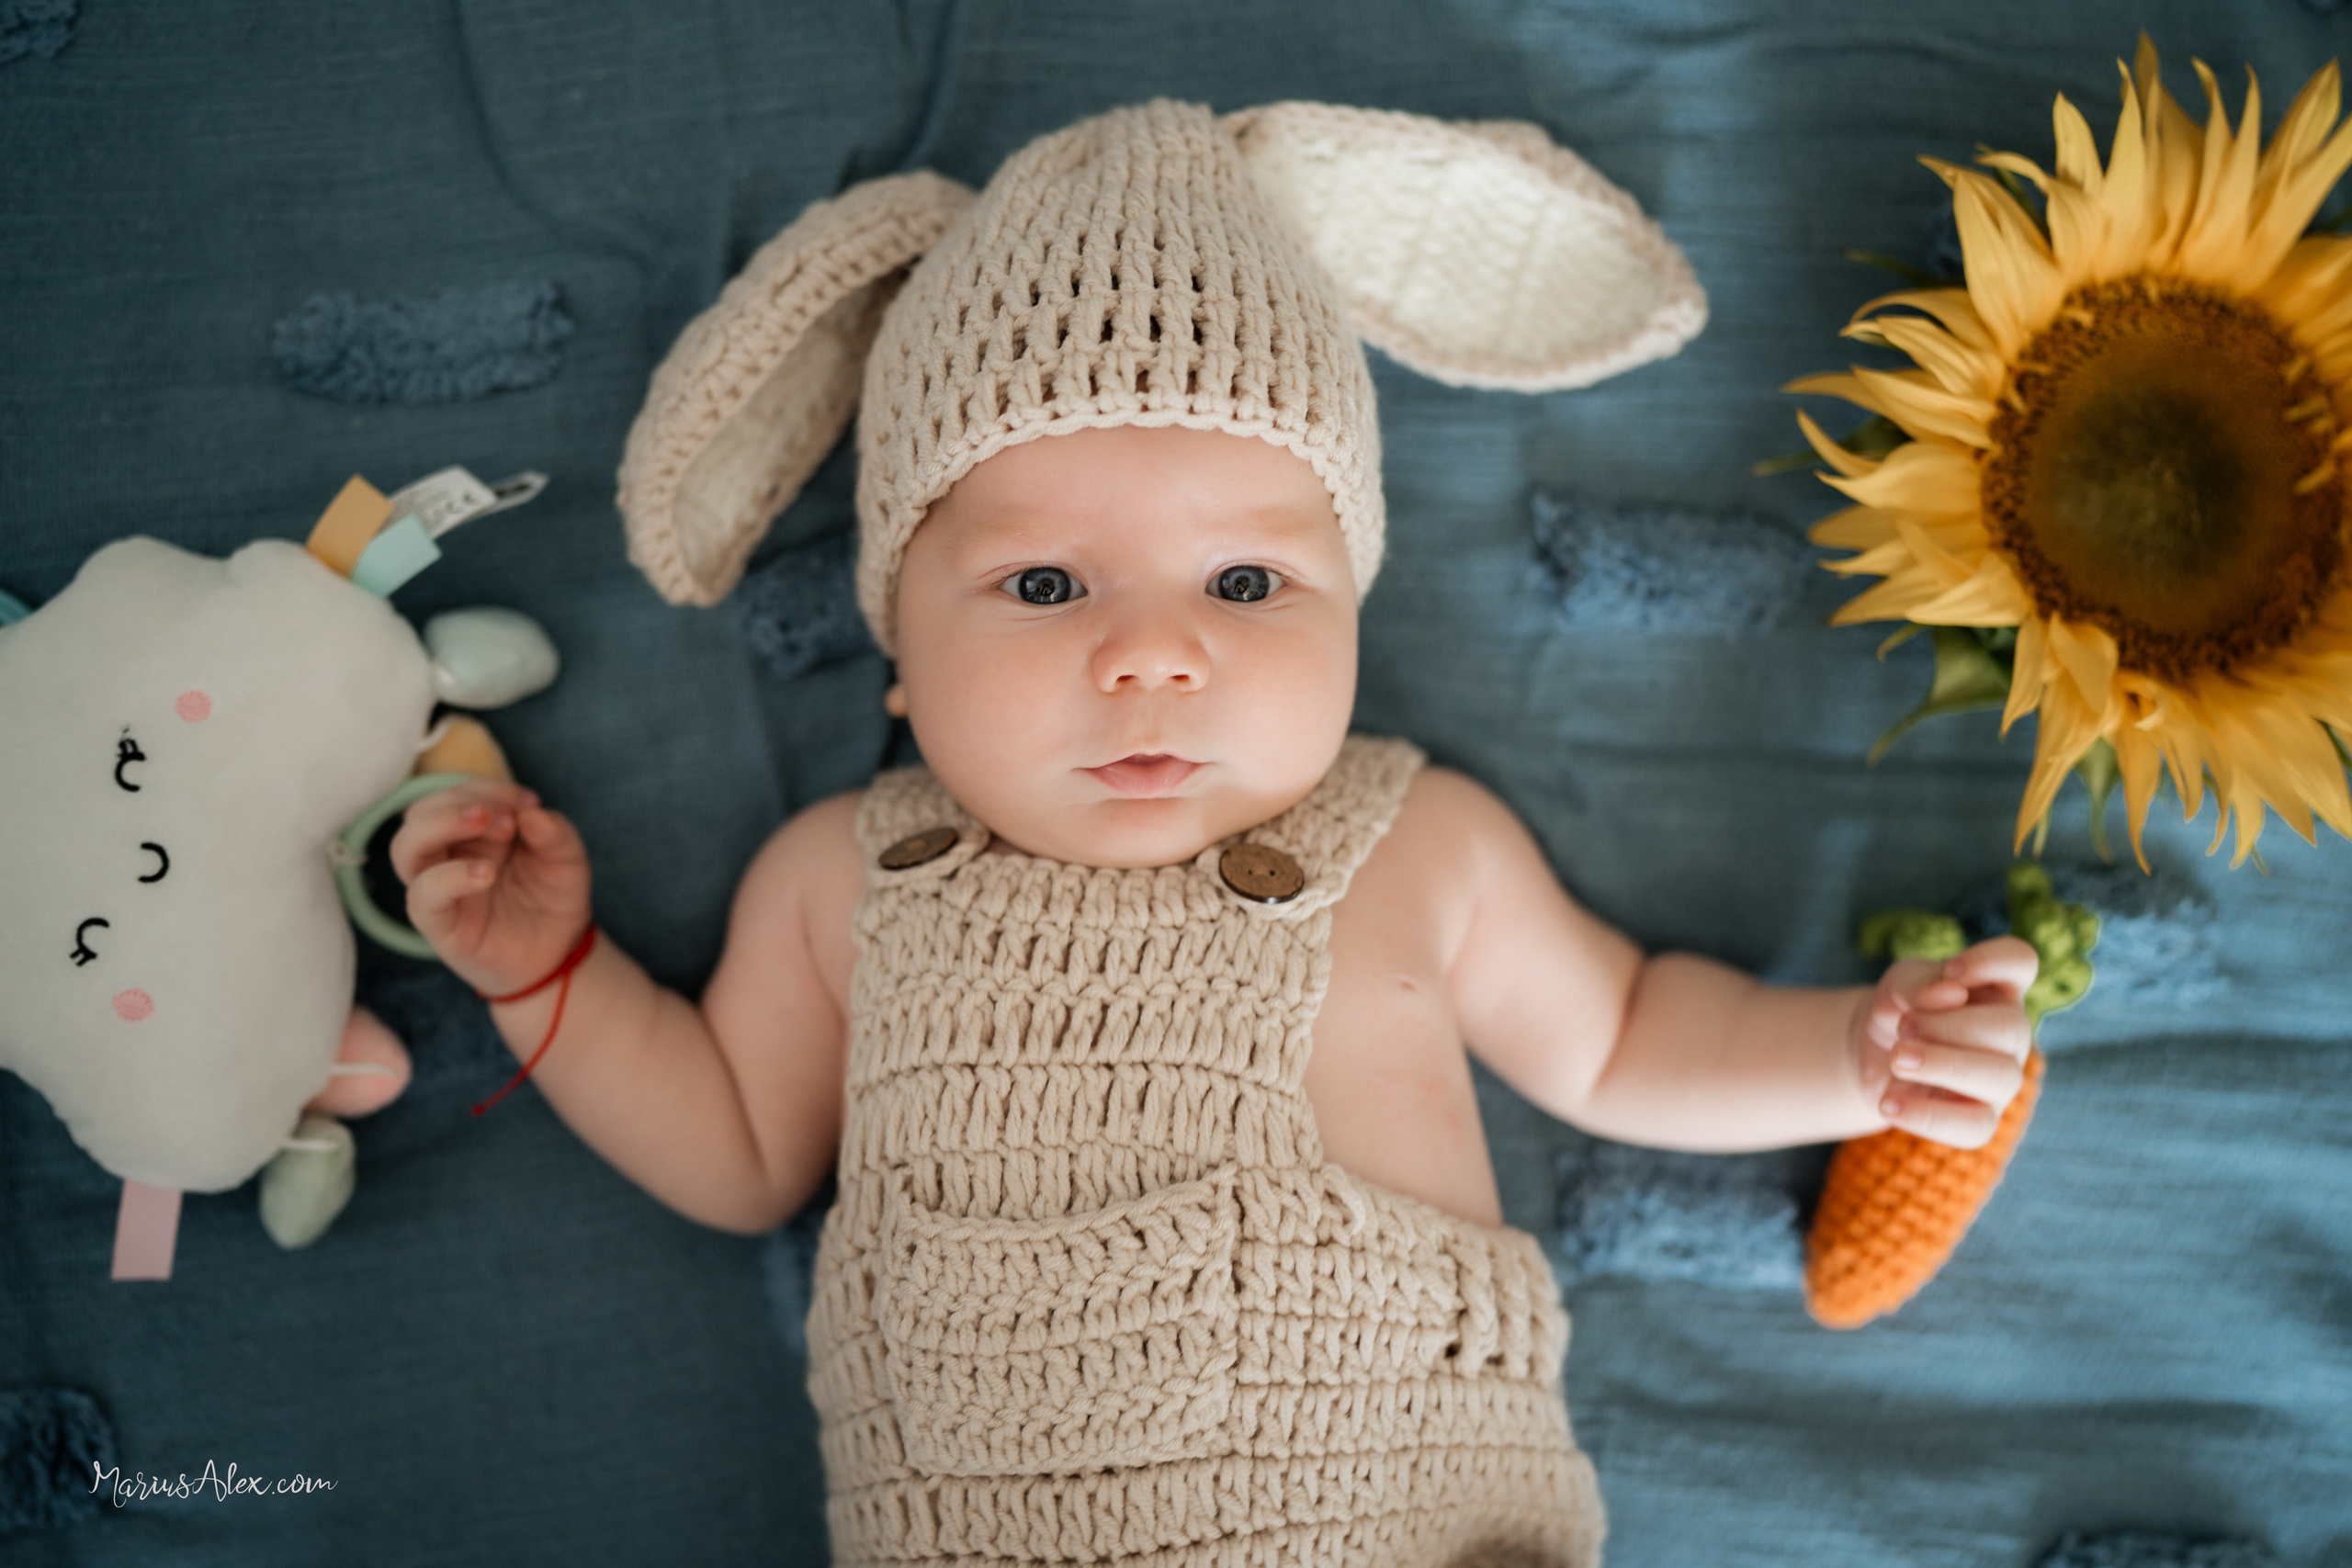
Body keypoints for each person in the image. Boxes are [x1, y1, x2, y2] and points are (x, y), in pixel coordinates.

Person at [390, 100, 2035, 1568]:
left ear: (1353, 614)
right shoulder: (838, 881)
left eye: (1246, 585)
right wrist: (556, 979)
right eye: (1043, 586)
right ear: (899, 655)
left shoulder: (1416, 844)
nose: (1150, 652)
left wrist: (1855, 1058)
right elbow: (740, 1147)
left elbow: (1623, 1036)